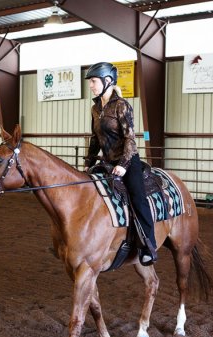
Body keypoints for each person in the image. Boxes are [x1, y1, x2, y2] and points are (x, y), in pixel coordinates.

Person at [84, 62, 157, 266]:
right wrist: (88, 163)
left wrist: (124, 164)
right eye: (91, 82)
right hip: (107, 162)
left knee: (137, 198)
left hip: (128, 160)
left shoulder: (122, 106)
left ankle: (148, 246)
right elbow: (95, 139)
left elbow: (130, 139)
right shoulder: (95, 108)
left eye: (94, 81)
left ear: (107, 81)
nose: (91, 85)